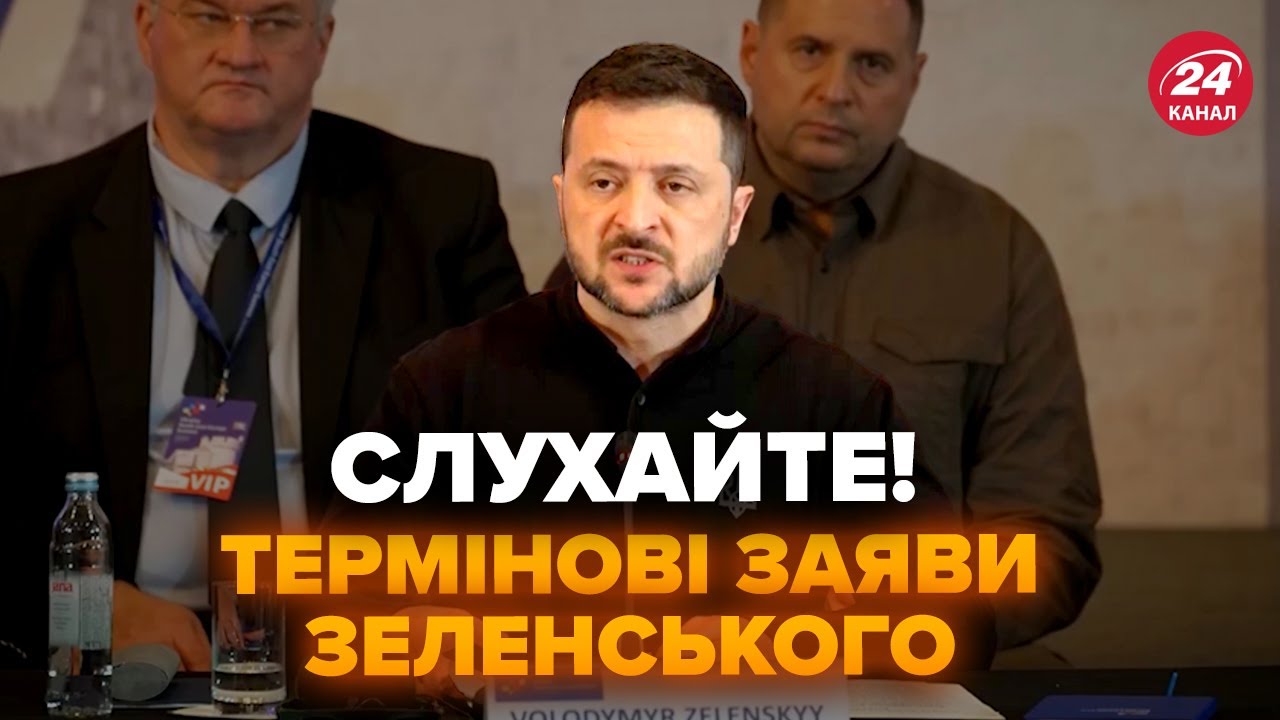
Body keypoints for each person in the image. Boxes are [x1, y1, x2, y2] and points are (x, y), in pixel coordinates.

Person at [327, 43, 996, 696]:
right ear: (563, 199)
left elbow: (959, 623)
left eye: (676, 186)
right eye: (604, 182)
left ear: (734, 214)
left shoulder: (834, 403)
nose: (636, 219)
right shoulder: (443, 388)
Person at [542, 0, 1105, 658]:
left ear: (913, 78)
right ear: (752, 52)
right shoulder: (631, 236)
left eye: (872, 64)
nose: (836, 91)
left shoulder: (996, 252)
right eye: (809, 51)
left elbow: (1045, 534)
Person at [0, 0, 526, 671]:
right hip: (115, 660)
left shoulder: (441, 212)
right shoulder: (22, 231)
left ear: (322, 40)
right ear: (146, 28)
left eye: (275, 21)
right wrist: (82, 604)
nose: (241, 52)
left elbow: (524, 458)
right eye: (208, 16)